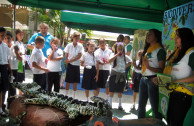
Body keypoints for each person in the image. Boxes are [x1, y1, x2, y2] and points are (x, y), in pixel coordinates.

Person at [155, 28, 194, 126]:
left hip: (182, 96)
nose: (175, 39)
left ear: (185, 38)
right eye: (175, 36)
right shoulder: (176, 52)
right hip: (170, 92)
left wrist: (176, 81)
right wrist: (160, 79)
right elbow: (169, 71)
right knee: (170, 121)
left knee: (175, 123)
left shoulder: (192, 53)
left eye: (178, 37)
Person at [138, 29, 166, 119]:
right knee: (141, 106)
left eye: (150, 34)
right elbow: (144, 67)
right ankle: (139, 123)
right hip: (143, 79)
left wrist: (148, 67)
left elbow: (162, 70)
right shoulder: (147, 50)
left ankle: (158, 124)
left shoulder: (160, 50)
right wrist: (136, 65)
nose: (148, 36)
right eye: (147, 34)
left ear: (156, 37)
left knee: (155, 108)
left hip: (153, 80)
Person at [108, 43, 132, 110]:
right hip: (114, 74)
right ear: (116, 49)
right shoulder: (113, 54)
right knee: (111, 90)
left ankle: (120, 105)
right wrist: (117, 55)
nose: (120, 50)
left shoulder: (125, 56)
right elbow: (109, 61)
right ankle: (110, 104)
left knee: (120, 90)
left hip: (121, 74)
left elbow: (130, 61)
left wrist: (125, 66)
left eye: (121, 49)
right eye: (118, 48)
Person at [4, 31, 21, 108]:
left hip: (14, 69)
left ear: (12, 38)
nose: (7, 40)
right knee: (4, 88)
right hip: (5, 69)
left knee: (13, 88)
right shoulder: (3, 47)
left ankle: (11, 105)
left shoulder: (15, 47)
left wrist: (16, 53)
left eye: (8, 38)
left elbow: (20, 59)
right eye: (5, 38)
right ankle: (3, 105)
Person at [64, 32, 83, 99]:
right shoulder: (69, 45)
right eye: (76, 38)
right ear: (73, 37)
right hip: (70, 65)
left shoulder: (80, 46)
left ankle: (74, 96)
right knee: (68, 80)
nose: (77, 39)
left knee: (75, 81)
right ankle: (66, 95)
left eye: (78, 38)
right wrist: (67, 60)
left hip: (76, 65)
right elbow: (66, 53)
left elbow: (79, 56)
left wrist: (69, 60)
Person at [0, 27, 12, 116]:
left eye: (4, 35)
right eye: (1, 35)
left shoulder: (5, 46)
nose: (3, 37)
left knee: (3, 89)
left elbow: (7, 60)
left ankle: (1, 108)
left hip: (4, 68)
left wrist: (10, 71)